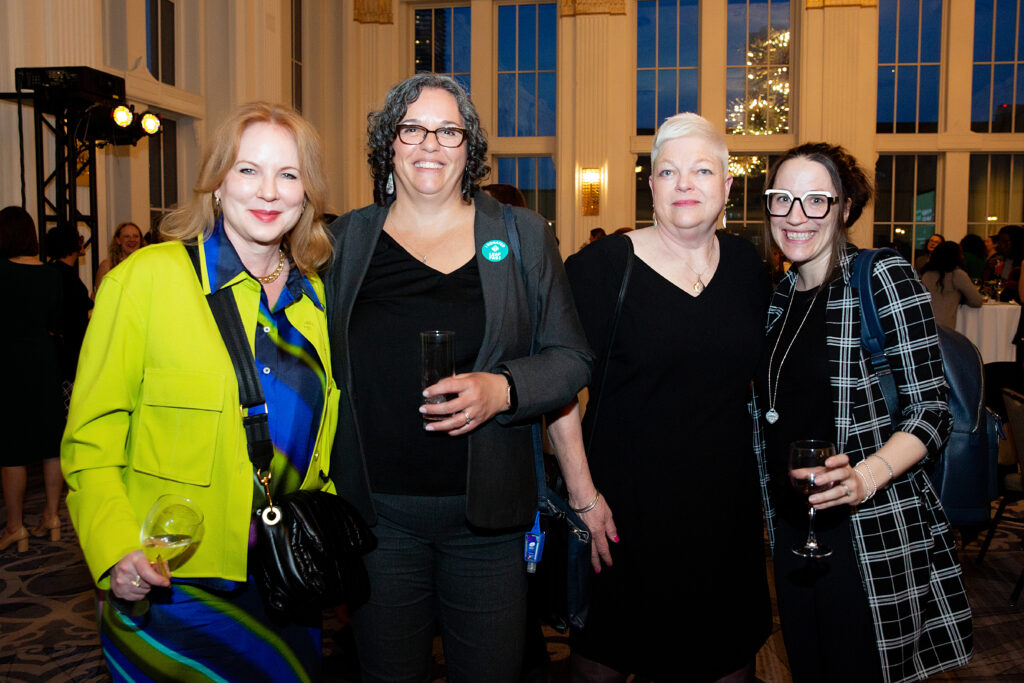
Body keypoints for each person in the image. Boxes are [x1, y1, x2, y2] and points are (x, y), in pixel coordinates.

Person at [324, 73, 592, 682]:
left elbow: (571, 357)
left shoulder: (519, 235)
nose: (430, 143)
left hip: (487, 520)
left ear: (469, 147)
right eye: (412, 127)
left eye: (448, 130)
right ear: (388, 144)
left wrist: (503, 389)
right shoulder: (345, 242)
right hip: (378, 518)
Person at [62, 102, 338, 682]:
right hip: (169, 583)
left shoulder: (315, 302)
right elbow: (91, 439)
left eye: (288, 174)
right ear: (216, 184)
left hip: (286, 580)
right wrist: (116, 552)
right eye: (247, 170)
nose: (268, 191)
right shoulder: (145, 280)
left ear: (306, 194)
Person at [553, 112, 772, 682]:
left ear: (726, 186)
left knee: (728, 664)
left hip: (723, 512)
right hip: (622, 513)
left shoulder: (749, 267)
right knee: (603, 664)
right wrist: (582, 495)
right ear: (649, 186)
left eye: (702, 171)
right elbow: (557, 389)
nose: (684, 184)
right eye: (668, 172)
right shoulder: (601, 269)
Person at [753, 142, 973, 682]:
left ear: (845, 208)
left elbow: (931, 408)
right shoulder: (777, 299)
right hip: (792, 527)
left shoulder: (878, 277)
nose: (796, 216)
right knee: (809, 666)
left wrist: (865, 477)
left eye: (815, 201)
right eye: (782, 199)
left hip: (867, 528)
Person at [0, 206, 65, 553]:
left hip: (8, 361)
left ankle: (15, 527)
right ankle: (52, 517)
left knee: (12, 449)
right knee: (50, 444)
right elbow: (55, 321)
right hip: (44, 359)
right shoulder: (52, 275)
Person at [44, 225, 93, 412]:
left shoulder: (52, 271)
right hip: (70, 355)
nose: (82, 241)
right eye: (79, 237)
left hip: (58, 353)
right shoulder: (66, 276)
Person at [921, 241, 984, 328]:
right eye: (961, 253)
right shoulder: (957, 274)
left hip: (924, 324)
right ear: (954, 256)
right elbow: (977, 301)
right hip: (945, 328)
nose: (963, 256)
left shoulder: (927, 274)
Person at [93, 221, 142, 292]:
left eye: (135, 236)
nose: (132, 240)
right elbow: (98, 295)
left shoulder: (147, 264)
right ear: (118, 240)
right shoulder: (107, 266)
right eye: (127, 236)